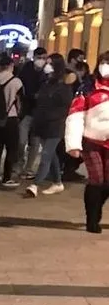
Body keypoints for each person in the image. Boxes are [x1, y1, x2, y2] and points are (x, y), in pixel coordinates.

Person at [65, 52, 109, 233]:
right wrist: (73, 144)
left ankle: (96, 206)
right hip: (92, 140)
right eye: (104, 62)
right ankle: (92, 218)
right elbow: (76, 115)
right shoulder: (88, 87)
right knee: (96, 179)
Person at [25, 54, 74, 198]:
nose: (47, 66)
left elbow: (65, 107)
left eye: (50, 63)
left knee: (46, 155)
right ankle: (57, 182)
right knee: (51, 155)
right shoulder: (46, 83)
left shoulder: (64, 87)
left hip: (55, 125)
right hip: (42, 124)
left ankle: (35, 184)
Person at [0, 54, 24, 187]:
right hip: (11, 118)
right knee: (11, 149)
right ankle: (7, 177)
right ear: (10, 66)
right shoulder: (16, 82)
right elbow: (20, 102)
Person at [17, 47, 48, 177]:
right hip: (25, 111)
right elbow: (20, 89)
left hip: (39, 113)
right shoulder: (25, 70)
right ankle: (18, 164)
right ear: (34, 57)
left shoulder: (47, 72)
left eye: (44, 58)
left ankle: (29, 168)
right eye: (39, 58)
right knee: (21, 141)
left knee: (35, 143)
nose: (41, 61)